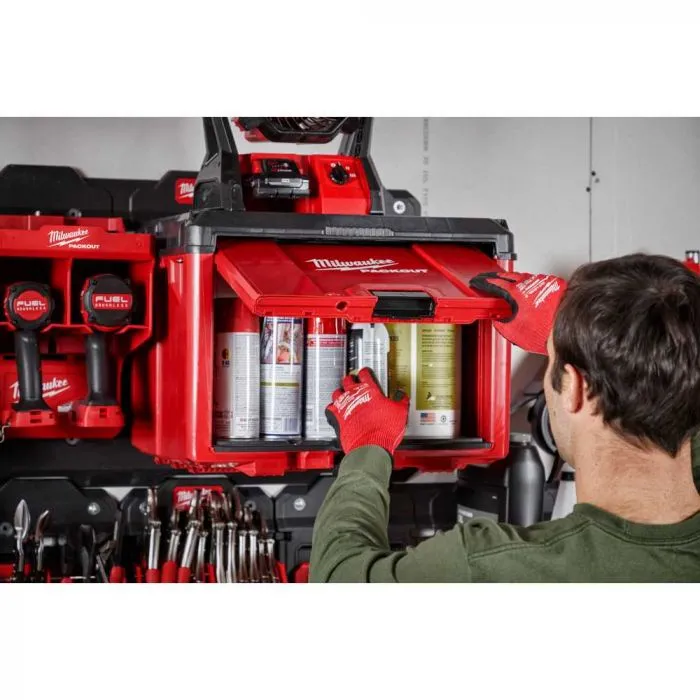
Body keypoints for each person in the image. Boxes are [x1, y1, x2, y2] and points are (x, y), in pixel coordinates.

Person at [309, 254, 700, 582]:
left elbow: (337, 580)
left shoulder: (491, 569)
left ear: (574, 389)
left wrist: (368, 448)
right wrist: (577, 340)